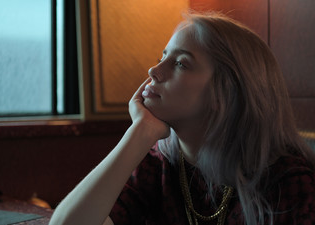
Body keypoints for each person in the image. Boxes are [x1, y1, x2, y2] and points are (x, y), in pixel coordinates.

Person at [49, 12, 315, 225]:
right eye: (162, 57)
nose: (154, 70)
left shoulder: (288, 184)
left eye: (181, 63)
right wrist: (138, 133)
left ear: (224, 92)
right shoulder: (160, 165)